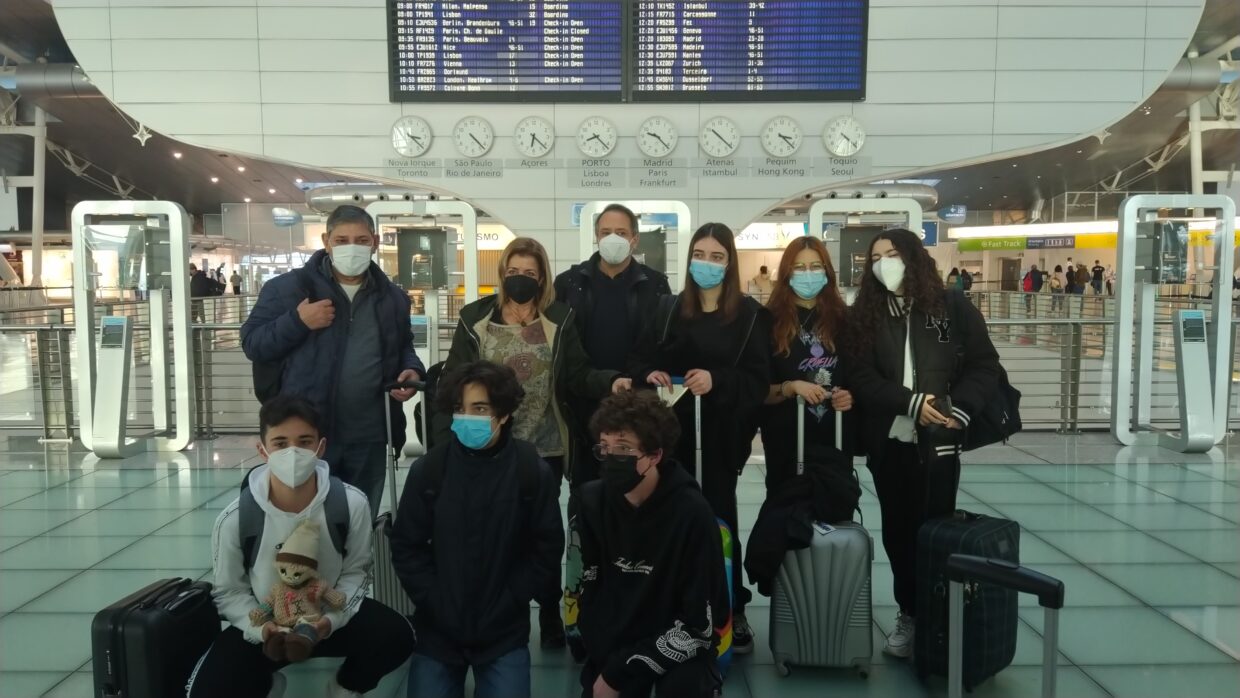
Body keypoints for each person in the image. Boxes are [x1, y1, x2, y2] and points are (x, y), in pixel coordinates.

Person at [435, 236, 629, 647]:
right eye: (512, 271)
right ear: (502, 274)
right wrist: (445, 439)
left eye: (528, 272)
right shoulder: (475, 318)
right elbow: (454, 380)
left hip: (545, 446)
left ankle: (550, 609)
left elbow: (578, 373)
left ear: (541, 278)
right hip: (490, 444)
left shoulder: (559, 318)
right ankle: (501, 608)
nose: (519, 279)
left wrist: (611, 381)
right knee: (496, 530)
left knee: (542, 532)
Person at [188, 396, 414, 698]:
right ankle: (267, 684)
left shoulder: (351, 503)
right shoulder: (235, 518)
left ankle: (346, 686)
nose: (293, 452)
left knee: (398, 637)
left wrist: (329, 622)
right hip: (268, 625)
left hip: (328, 617)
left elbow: (356, 574)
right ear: (262, 450)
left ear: (320, 447)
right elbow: (229, 591)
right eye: (280, 443)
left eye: (304, 441)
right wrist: (262, 629)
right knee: (206, 691)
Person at [845, 228, 999, 660]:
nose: (884, 264)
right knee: (898, 532)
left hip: (939, 442)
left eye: (892, 253)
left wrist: (959, 408)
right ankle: (910, 613)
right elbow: (859, 375)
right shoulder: (865, 314)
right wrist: (908, 402)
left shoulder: (951, 307)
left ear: (913, 256)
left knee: (937, 529)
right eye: (876, 258)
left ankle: (941, 619)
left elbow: (984, 364)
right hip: (891, 441)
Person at [628, 222, 770, 654]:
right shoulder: (668, 308)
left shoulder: (749, 316)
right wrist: (650, 374)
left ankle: (729, 607)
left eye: (716, 257)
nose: (706, 264)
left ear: (729, 263)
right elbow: (641, 359)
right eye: (700, 255)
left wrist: (717, 380)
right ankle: (672, 604)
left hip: (721, 439)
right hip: (671, 438)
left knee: (718, 519)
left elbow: (758, 380)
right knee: (670, 519)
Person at [391, 361, 564, 698]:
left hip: (504, 632)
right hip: (438, 630)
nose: (467, 418)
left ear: (504, 414)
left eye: (480, 408)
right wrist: (433, 599)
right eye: (460, 409)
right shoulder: (430, 470)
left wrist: (514, 597)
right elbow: (406, 544)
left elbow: (546, 547)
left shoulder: (531, 472)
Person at [240, 204, 425, 518]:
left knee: (359, 518)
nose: (352, 247)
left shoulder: (392, 298)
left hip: (369, 434)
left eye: (361, 240)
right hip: (307, 435)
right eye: (341, 240)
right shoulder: (287, 289)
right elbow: (252, 343)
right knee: (304, 524)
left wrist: (411, 369)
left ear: (375, 242)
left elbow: (403, 345)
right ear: (326, 242)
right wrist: (298, 321)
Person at [553, 203, 671, 658]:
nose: (613, 238)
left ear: (635, 238)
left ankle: (638, 610)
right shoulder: (571, 283)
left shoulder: (654, 285)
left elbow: (660, 344)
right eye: (605, 231)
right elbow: (563, 352)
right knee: (585, 514)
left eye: (622, 231)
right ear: (595, 235)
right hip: (584, 418)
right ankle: (579, 613)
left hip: (637, 419)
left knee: (639, 512)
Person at [575, 390, 728, 698]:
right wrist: (607, 659)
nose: (610, 458)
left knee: (683, 687)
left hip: (676, 646)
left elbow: (700, 627)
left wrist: (621, 671)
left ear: (655, 455)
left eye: (623, 448)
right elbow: (589, 590)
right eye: (604, 447)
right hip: (615, 642)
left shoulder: (692, 513)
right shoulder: (590, 502)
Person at [760, 236, 854, 491]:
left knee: (834, 499)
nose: (808, 274)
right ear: (787, 273)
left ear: (827, 271)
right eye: (799, 267)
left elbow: (859, 375)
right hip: (785, 439)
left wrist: (850, 396)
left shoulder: (845, 320)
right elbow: (758, 388)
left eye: (815, 266)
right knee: (786, 503)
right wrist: (790, 387)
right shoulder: (768, 321)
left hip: (834, 436)